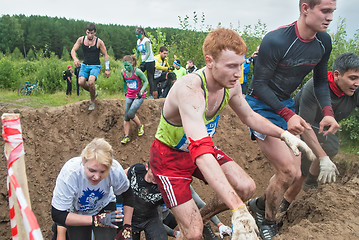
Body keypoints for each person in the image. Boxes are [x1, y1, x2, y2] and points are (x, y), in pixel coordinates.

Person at [149, 27, 316, 240]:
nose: (238, 73)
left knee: (246, 188)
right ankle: (192, 228)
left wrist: (283, 134)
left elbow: (250, 117)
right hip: (169, 157)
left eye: (241, 64)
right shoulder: (190, 90)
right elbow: (200, 151)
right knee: (193, 234)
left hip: (200, 147)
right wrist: (237, 209)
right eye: (231, 66)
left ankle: (202, 217)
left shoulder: (231, 85)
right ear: (209, 62)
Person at [245, 1, 339, 239]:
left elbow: (320, 81)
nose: (329, 17)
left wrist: (328, 111)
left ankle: (258, 205)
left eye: (332, 12)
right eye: (325, 11)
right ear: (306, 8)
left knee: (296, 175)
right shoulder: (276, 40)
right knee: (288, 172)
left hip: (285, 104)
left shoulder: (323, 41)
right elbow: (259, 85)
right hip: (260, 106)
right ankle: (267, 220)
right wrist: (287, 114)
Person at [279, 52, 359, 212]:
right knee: (295, 171)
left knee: (329, 147)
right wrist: (323, 158)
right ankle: (278, 204)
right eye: (352, 78)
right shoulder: (315, 87)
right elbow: (304, 126)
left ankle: (308, 183)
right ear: (337, 74)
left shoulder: (356, 91)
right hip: (298, 124)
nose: (357, 83)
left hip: (324, 127)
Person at [51, 138, 130, 240]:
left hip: (104, 206)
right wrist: (95, 220)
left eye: (102, 172)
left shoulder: (114, 169)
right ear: (83, 161)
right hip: (77, 211)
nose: (96, 177)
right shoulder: (71, 173)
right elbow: (58, 215)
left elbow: (127, 194)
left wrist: (127, 226)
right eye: (92, 170)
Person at [120, 162, 168, 240]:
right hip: (131, 217)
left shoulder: (165, 186)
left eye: (160, 175)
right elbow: (120, 176)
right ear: (147, 167)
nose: (157, 177)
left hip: (151, 218)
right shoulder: (137, 170)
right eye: (154, 173)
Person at [71, 23, 111, 110]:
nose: (90, 35)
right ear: (86, 31)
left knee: (91, 81)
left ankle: (92, 101)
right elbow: (73, 50)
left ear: (95, 33)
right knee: (81, 82)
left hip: (95, 65)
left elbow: (106, 55)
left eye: (92, 33)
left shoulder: (99, 42)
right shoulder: (81, 40)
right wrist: (75, 59)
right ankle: (94, 93)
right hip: (85, 65)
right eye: (88, 32)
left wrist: (107, 69)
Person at [120, 55, 148, 144]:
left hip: (138, 96)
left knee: (131, 113)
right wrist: (125, 91)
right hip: (129, 95)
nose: (126, 67)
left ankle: (140, 126)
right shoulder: (123, 72)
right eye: (125, 65)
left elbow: (146, 81)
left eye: (128, 65)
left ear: (132, 63)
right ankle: (126, 136)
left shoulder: (137, 71)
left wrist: (141, 91)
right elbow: (124, 82)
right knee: (126, 116)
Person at [135, 27, 155, 99]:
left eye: (138, 34)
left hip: (150, 61)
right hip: (144, 61)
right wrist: (134, 61)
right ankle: (143, 89)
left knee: (150, 78)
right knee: (138, 74)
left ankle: (151, 95)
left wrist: (144, 61)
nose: (137, 36)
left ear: (142, 34)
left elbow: (148, 52)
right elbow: (137, 52)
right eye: (136, 35)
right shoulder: (138, 41)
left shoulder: (146, 41)